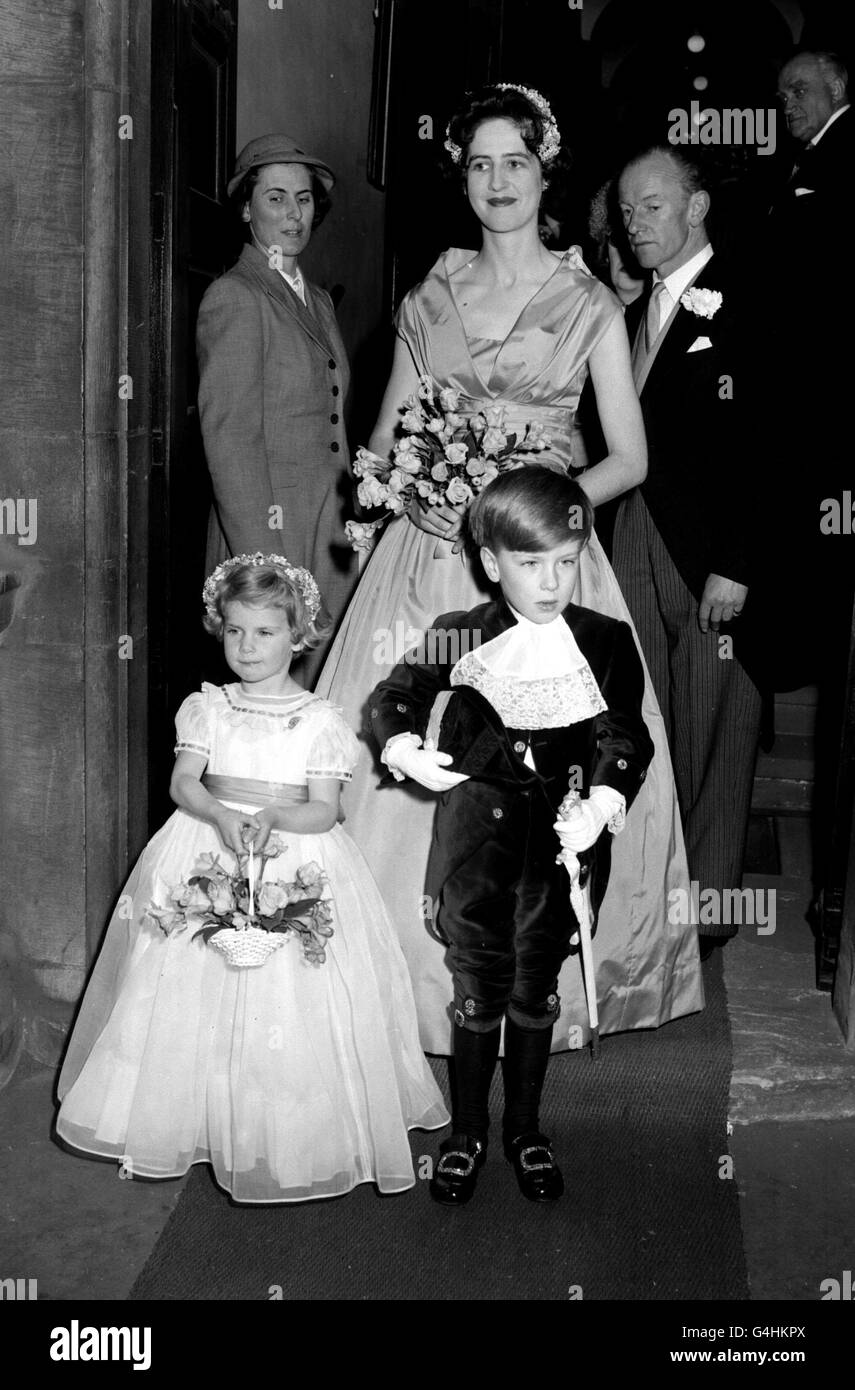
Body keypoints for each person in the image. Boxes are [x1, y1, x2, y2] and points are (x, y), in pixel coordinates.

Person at [317, 84, 702, 1052]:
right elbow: (381, 439)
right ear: (463, 176)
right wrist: (404, 486)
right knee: (407, 755)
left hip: (539, 567)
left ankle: (542, 990)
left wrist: (537, 507)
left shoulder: (587, 304)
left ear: (545, 172)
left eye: (515, 163)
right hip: (426, 561)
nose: (498, 182)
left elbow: (629, 457)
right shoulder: (429, 295)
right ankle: (389, 997)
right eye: (480, 164)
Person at [56, 555, 448, 1203]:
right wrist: (215, 813)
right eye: (235, 631)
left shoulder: (321, 720)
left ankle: (283, 1132)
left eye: (265, 633)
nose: (247, 646)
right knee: (182, 983)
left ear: (298, 635)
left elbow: (328, 808)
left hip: (292, 854)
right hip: (204, 848)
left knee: (289, 995)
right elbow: (185, 782)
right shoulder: (207, 707)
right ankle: (192, 1115)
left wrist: (273, 817)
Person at [370, 469, 654, 1204]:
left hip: (560, 846)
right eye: (530, 565)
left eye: (566, 560)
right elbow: (396, 696)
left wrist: (602, 798)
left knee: (535, 988)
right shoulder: (461, 632)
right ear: (492, 563)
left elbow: (625, 733)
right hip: (478, 842)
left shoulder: (605, 640)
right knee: (479, 984)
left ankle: (524, 1130)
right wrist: (400, 744)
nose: (551, 581)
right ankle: (465, 1133)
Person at [613, 144, 763, 958]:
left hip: (710, 558)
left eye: (653, 206)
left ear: (697, 208)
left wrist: (737, 561)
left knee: (714, 732)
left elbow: (772, 439)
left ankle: (703, 911)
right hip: (634, 535)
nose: (636, 223)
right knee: (647, 720)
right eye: (628, 210)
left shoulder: (748, 293)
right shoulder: (643, 308)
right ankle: (647, 891)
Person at [197, 134, 356, 684]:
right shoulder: (235, 297)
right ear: (246, 208)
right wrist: (265, 575)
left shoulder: (316, 298)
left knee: (317, 696)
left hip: (326, 530)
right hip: (272, 534)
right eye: (276, 198)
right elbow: (231, 440)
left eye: (305, 199)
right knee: (270, 701)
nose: (294, 214)